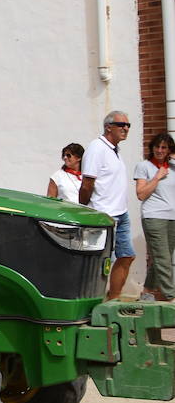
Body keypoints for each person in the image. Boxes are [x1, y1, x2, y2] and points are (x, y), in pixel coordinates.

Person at [80, 111, 134, 300]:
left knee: (127, 256)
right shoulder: (97, 148)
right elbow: (87, 183)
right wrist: (84, 210)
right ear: (108, 126)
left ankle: (114, 299)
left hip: (122, 213)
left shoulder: (114, 150)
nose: (126, 128)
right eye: (121, 124)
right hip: (104, 214)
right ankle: (92, 300)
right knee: (101, 262)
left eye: (128, 125)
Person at [134, 132, 175, 302]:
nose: (159, 150)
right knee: (163, 259)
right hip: (154, 216)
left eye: (164, 147)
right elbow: (141, 194)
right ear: (151, 148)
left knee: (161, 258)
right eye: (157, 146)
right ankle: (172, 298)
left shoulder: (172, 167)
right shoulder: (144, 166)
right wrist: (157, 177)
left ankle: (146, 293)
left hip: (171, 218)